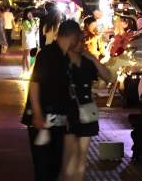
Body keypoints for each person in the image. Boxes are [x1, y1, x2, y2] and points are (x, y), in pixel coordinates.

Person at [21, 20, 83, 181]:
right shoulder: (48, 54)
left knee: (54, 165)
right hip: (43, 118)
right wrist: (38, 113)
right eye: (79, 37)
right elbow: (35, 83)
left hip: (57, 120)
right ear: (73, 36)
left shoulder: (66, 57)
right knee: (44, 167)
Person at [61, 35, 112, 181]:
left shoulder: (87, 62)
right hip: (68, 112)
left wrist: (93, 58)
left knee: (82, 155)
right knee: (70, 155)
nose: (81, 43)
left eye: (82, 40)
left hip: (86, 110)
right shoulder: (61, 61)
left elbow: (108, 76)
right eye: (78, 40)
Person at [21, 8, 39, 76]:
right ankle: (27, 70)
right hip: (28, 40)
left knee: (25, 55)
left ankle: (24, 70)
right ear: (26, 14)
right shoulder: (25, 21)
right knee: (27, 55)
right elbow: (31, 30)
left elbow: (34, 29)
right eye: (29, 13)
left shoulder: (30, 21)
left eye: (31, 13)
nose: (30, 14)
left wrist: (34, 23)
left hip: (30, 40)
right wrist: (34, 22)